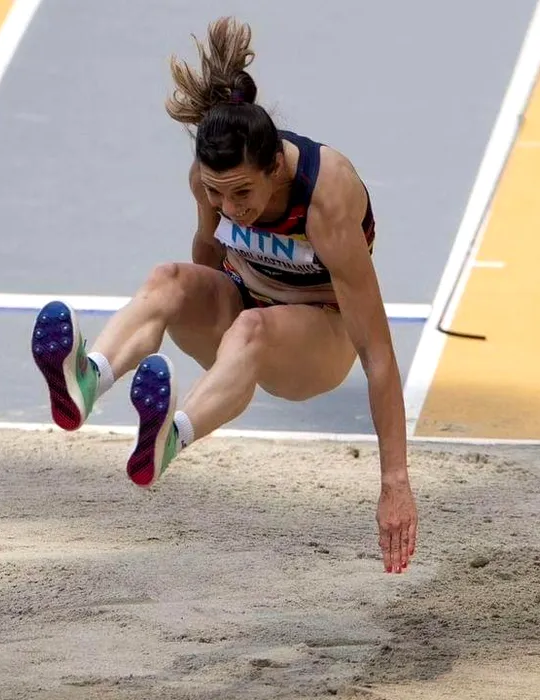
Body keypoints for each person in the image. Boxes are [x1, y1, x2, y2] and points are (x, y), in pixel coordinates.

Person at [30, 16, 417, 573]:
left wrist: (394, 483)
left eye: (241, 193)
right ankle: (87, 380)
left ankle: (171, 438)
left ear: (275, 167)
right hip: (242, 309)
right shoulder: (208, 180)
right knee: (168, 277)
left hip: (317, 340)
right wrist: (205, 332)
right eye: (217, 193)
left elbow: (377, 354)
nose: (230, 207)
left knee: (251, 330)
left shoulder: (325, 197)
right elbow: (207, 257)